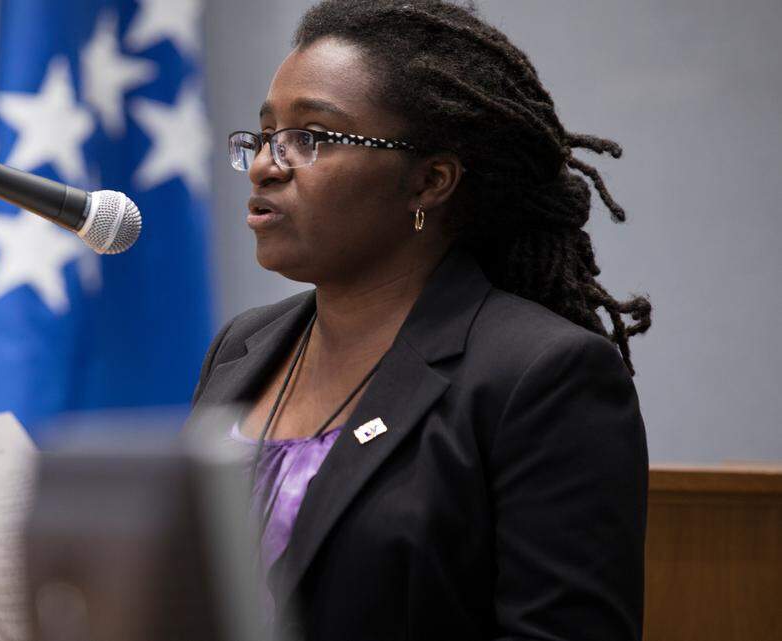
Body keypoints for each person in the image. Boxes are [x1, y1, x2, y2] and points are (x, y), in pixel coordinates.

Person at [188, 1, 652, 639]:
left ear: (430, 181)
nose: (268, 164)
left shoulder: (542, 376)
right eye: (266, 135)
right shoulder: (243, 346)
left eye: (312, 138)